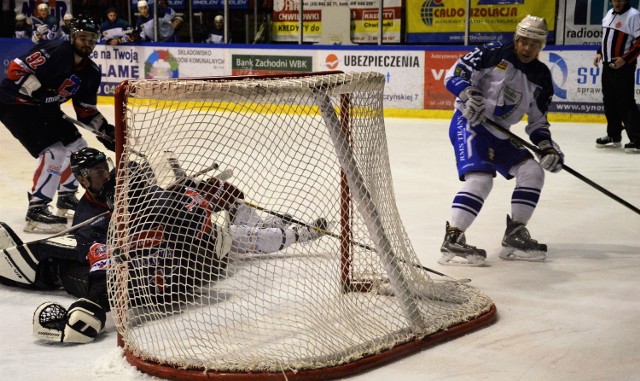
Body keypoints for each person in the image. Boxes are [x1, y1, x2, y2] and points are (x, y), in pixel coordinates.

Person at [16, 147, 328, 343]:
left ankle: (264, 226)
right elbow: (103, 262)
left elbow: (152, 189)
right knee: (229, 236)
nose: (106, 174)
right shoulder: (89, 218)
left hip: (182, 238)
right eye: (98, 172)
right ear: (83, 180)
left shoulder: (122, 184)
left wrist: (174, 188)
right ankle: (296, 234)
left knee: (221, 191)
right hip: (180, 265)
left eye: (105, 167)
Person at [439, 15, 563, 266]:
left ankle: (515, 234)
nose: (528, 48)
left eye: (534, 43)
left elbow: (538, 123)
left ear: (542, 46)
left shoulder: (541, 77)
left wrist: (547, 147)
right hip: (470, 122)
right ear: (517, 39)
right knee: (481, 178)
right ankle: (453, 238)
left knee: (532, 171)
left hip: (501, 131)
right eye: (524, 41)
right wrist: (467, 91)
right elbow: (455, 73)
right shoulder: (494, 51)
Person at [0, 17, 115, 234]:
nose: (87, 43)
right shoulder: (54, 51)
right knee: (55, 151)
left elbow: (86, 111)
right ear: (72, 37)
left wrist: (108, 132)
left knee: (79, 147)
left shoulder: (90, 72)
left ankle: (65, 198)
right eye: (82, 37)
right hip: (14, 104)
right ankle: (37, 210)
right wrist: (41, 92)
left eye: (91, 39)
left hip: (44, 109)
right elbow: (16, 70)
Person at [593, 0, 640, 153]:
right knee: (610, 101)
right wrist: (600, 52)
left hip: (623, 67)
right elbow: (607, 37)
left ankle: (638, 139)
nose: (617, 2)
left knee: (625, 102)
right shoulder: (609, 14)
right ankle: (614, 135)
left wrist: (624, 60)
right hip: (608, 66)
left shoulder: (634, 15)